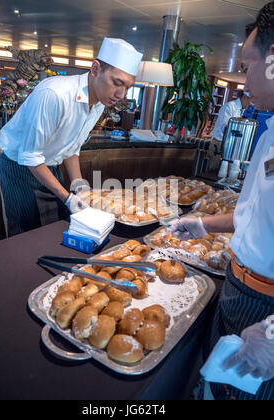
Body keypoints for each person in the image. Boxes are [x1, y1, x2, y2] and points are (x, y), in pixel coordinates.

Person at [168, 1, 274, 400]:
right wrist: (204, 225)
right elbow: (256, 214)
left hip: (267, 308)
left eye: (246, 68)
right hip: (237, 286)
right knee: (211, 389)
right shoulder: (270, 130)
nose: (244, 84)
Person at [0, 38, 143, 237]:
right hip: (18, 168)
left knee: (53, 229)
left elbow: (71, 148)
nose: (121, 94)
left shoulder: (99, 103)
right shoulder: (54, 94)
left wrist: (78, 185)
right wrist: (66, 197)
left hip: (49, 167)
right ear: (95, 68)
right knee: (26, 234)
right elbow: (30, 156)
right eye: (117, 83)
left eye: (127, 86)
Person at [207, 91, 252, 170]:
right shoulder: (229, 106)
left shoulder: (243, 110)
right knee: (213, 172)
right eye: (250, 101)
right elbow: (226, 126)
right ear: (245, 97)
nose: (250, 104)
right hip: (219, 144)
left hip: (230, 146)